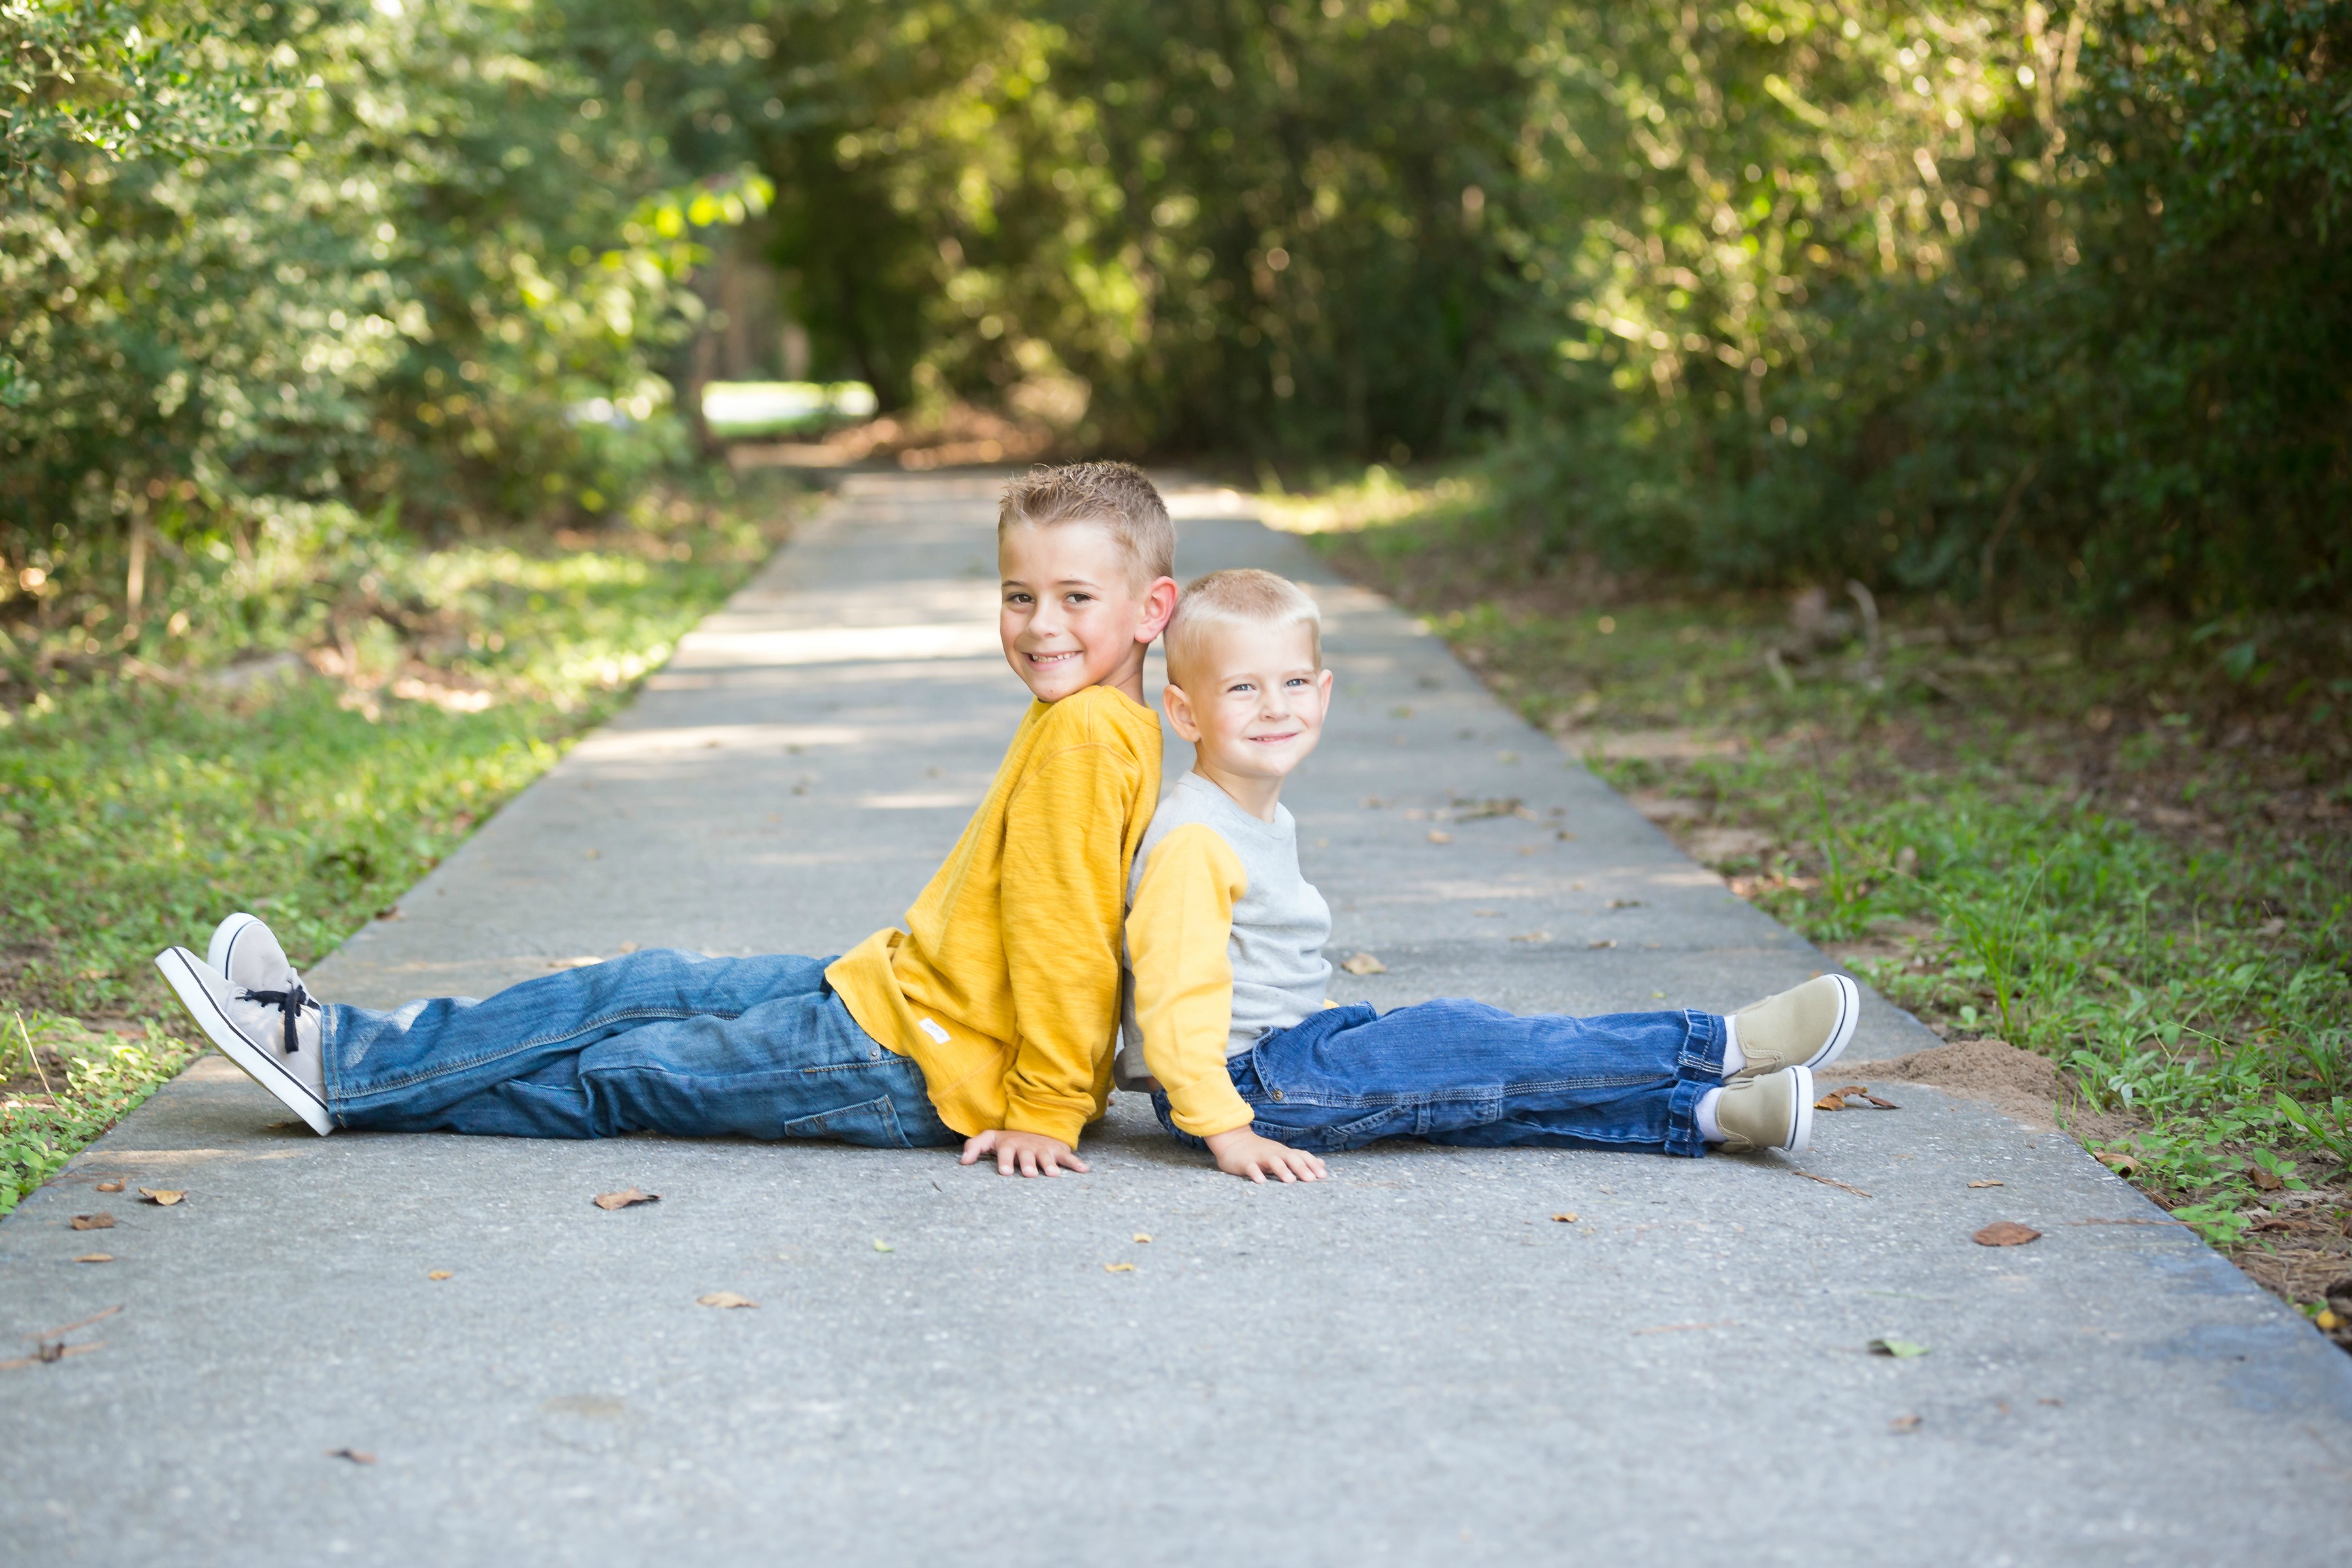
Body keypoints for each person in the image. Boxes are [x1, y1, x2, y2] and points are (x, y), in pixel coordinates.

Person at [155, 462, 1179, 1178]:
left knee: (624, 1070)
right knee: (644, 984)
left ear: (1151, 609)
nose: (1041, 624)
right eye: (1018, 596)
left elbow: (1065, 935)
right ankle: (345, 1052)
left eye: (1075, 597)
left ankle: (342, 1074)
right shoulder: (1094, 716)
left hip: (919, 1066)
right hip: (904, 997)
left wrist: (1048, 1105)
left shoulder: (1088, 734)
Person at [1116, 568, 1861, 1184]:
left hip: (1286, 1059)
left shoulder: (1250, 815)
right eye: (1242, 689)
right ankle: (1721, 1045)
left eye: (1294, 682)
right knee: (1464, 1038)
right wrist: (1228, 1133)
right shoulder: (1195, 839)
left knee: (1479, 1096)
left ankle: (1708, 1116)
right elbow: (1174, 1002)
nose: (1276, 706)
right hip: (1248, 1088)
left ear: (1325, 691)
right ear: (1184, 713)